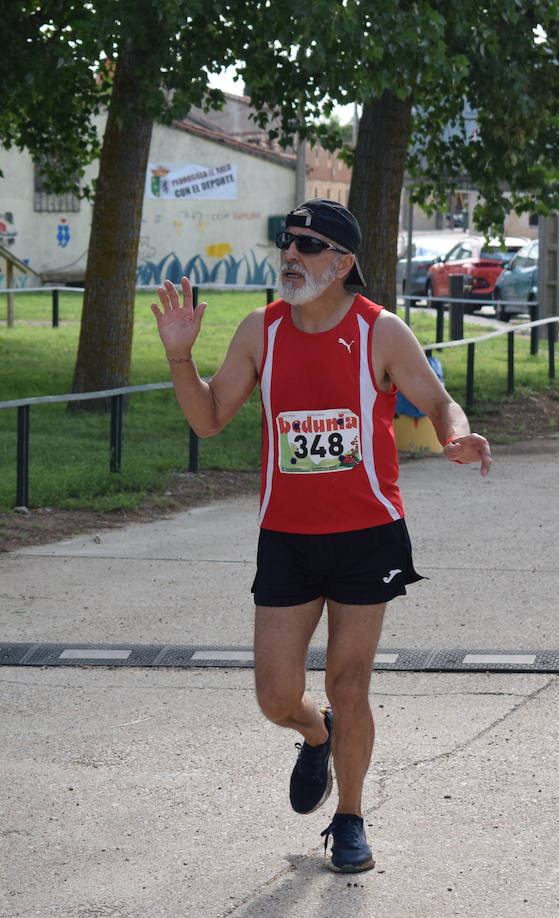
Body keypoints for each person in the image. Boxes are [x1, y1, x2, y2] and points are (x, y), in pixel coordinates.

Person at [151, 199, 492, 873]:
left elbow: (436, 401)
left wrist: (456, 437)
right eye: (286, 242)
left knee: (349, 682)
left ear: (343, 262)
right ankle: (314, 737)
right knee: (276, 695)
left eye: (307, 245)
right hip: (288, 537)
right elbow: (210, 419)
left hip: (368, 532)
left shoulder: (380, 332)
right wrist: (180, 359)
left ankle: (352, 818)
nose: (290, 255)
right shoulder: (262, 330)